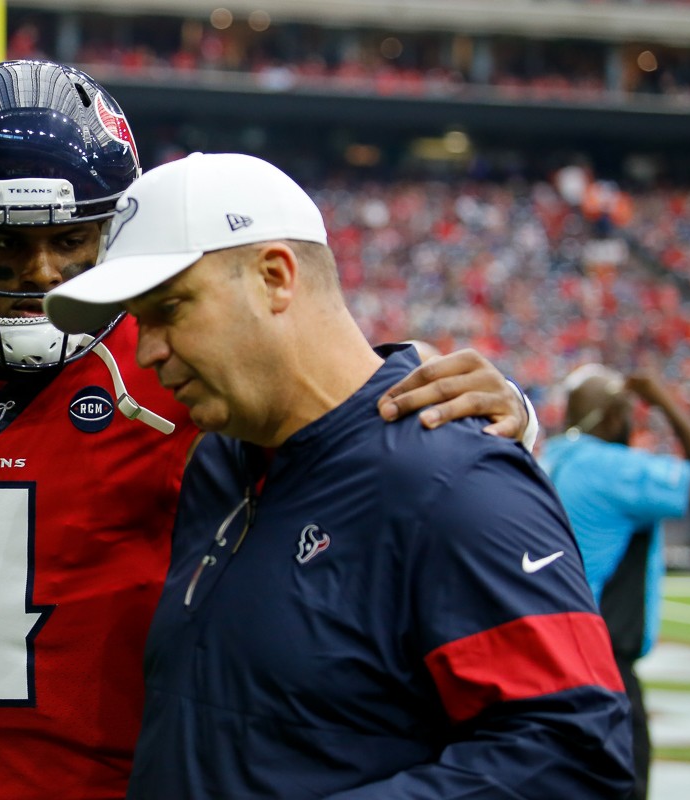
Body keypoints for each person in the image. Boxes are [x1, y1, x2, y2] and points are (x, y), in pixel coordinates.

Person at [0, 61, 536, 800]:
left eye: (73, 238)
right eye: (2, 245)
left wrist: (481, 410)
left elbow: (350, 420)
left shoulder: (182, 362)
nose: (41, 271)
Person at [44, 152, 633, 798]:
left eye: (170, 309)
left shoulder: (454, 477)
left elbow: (575, 759)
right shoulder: (220, 461)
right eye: (139, 321)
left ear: (275, 277)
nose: (146, 350)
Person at [540, 364, 690, 800]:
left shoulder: (552, 456)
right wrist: (664, 399)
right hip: (601, 660)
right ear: (614, 418)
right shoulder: (613, 469)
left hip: (549, 649)